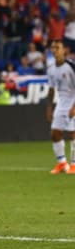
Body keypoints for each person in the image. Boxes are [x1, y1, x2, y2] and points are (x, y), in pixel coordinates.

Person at [45, 40, 75, 174]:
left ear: (64, 50)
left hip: (73, 100)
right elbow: (51, 90)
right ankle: (62, 163)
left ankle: (74, 165)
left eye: (58, 47)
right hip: (61, 103)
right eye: (53, 48)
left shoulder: (71, 66)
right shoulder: (51, 69)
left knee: (73, 133)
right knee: (55, 133)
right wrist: (49, 108)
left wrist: (74, 107)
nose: (55, 50)